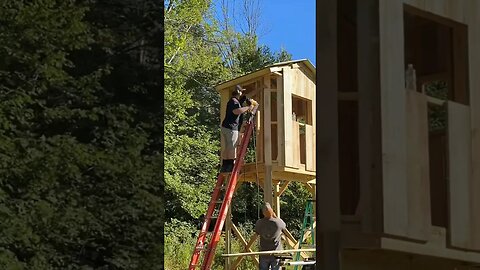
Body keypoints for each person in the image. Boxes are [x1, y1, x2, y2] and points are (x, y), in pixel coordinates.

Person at [220, 84, 255, 172]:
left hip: (226, 127)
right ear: (238, 92)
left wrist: (261, 88)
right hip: (231, 128)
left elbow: (246, 98)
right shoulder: (234, 102)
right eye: (241, 91)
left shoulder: (235, 101)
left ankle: (225, 165)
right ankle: (230, 165)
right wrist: (248, 107)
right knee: (232, 147)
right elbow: (236, 111)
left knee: (228, 147)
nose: (242, 93)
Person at [255, 202, 287, 270]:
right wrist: (274, 216)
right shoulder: (278, 222)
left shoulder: (259, 223)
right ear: (271, 210)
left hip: (264, 253)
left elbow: (255, 236)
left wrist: (247, 247)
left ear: (263, 213)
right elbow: (285, 231)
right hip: (276, 254)